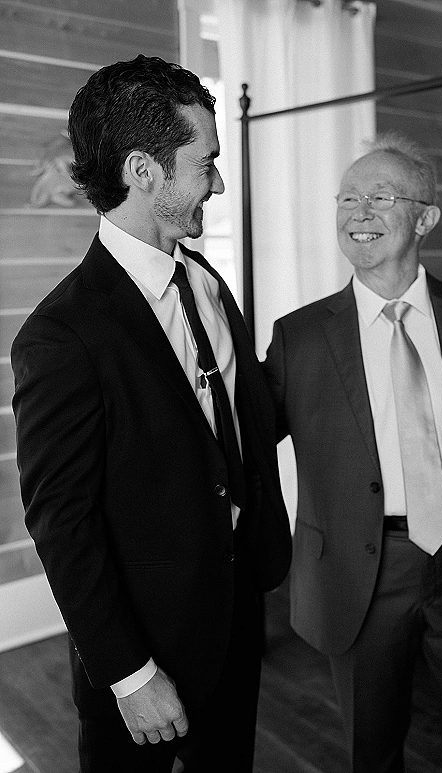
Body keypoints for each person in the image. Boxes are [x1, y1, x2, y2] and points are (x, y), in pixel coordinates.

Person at [11, 55, 291, 773]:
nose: (218, 184)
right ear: (142, 170)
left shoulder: (206, 279)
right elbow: (62, 522)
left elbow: (238, 418)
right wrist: (130, 675)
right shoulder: (61, 335)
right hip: (145, 641)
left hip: (236, 607)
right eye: (206, 164)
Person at [263, 132, 442, 773]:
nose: (359, 212)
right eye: (347, 198)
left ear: (425, 218)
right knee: (372, 751)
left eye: (380, 197)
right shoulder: (300, 336)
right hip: (361, 573)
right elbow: (246, 436)